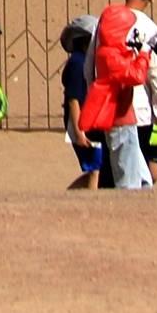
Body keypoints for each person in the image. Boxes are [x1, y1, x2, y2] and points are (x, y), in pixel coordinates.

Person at [76, 0, 157, 191]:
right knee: (132, 175)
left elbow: (89, 65)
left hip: (108, 108)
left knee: (113, 170)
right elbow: (156, 74)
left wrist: (96, 96)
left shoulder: (105, 22)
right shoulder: (149, 28)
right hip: (139, 112)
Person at [58, 17, 101, 189]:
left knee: (98, 169)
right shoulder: (77, 63)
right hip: (82, 122)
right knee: (95, 169)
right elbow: (73, 100)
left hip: (90, 120)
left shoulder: (85, 61)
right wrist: (79, 131)